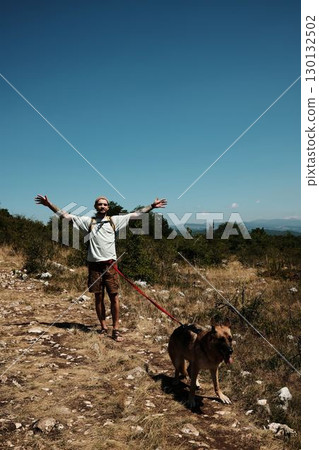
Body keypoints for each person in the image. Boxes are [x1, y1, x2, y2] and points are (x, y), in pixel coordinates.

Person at [35, 194, 167, 341]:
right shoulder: (88, 222)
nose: (102, 206)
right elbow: (66, 216)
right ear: (95, 207)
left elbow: (136, 215)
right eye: (99, 204)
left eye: (105, 204)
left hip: (110, 266)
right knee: (98, 297)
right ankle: (103, 327)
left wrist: (152, 206)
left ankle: (115, 329)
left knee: (114, 297)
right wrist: (49, 205)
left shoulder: (114, 221)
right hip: (94, 266)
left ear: (108, 207)